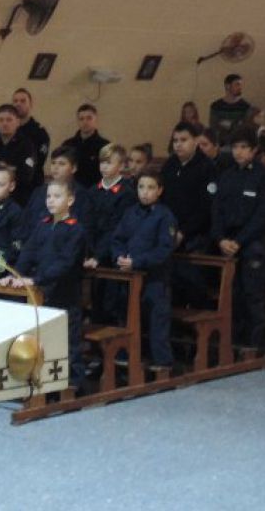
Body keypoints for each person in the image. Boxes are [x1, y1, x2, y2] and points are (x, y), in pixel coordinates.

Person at [1, 180, 87, 391]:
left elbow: (65, 264)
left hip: (65, 292)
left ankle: (73, 381)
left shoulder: (75, 230)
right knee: (43, 335)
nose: (51, 200)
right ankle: (42, 377)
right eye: (48, 196)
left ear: (70, 200)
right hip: (42, 292)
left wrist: (37, 279)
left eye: (57, 196)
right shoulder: (43, 224)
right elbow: (28, 253)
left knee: (69, 338)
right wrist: (15, 275)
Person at [210, 127, 265, 348]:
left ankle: (255, 339)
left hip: (250, 241)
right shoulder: (227, 175)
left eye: (244, 147)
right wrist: (220, 238)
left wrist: (239, 241)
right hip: (227, 241)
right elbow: (217, 211)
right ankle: (232, 337)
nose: (238, 152)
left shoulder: (264, 177)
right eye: (235, 147)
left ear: (254, 150)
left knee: (251, 292)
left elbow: (263, 216)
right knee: (231, 293)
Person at [111, 170, 177, 368]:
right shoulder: (131, 212)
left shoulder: (165, 216)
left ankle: (162, 361)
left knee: (157, 319)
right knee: (128, 316)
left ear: (160, 191)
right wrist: (119, 257)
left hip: (155, 277)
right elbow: (117, 238)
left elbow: (164, 250)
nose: (145, 192)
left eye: (150, 188)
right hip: (130, 276)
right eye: (141, 187)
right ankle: (127, 356)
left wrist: (138, 261)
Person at [161, 121, 217, 308]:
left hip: (196, 235)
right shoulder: (170, 165)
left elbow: (206, 208)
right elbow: (162, 201)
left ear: (195, 141)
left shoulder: (206, 167)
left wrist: (184, 232)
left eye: (183, 140)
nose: (178, 144)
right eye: (175, 140)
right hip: (170, 232)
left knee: (191, 279)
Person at [84, 144, 137, 324]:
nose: (104, 167)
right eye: (102, 162)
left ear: (121, 166)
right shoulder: (93, 191)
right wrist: (91, 252)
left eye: (109, 162)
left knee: (113, 303)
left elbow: (116, 229)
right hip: (95, 255)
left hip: (114, 255)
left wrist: (99, 255)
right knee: (96, 301)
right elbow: (88, 224)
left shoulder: (127, 192)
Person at [21, 145, 95, 247]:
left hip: (63, 249)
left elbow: (84, 230)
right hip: (33, 247)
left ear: (73, 168)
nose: (56, 167)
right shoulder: (39, 191)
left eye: (62, 164)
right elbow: (26, 221)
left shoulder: (81, 195)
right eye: (53, 163)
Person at [0, 103, 37, 206]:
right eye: (1, 120)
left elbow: (26, 176)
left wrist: (0, 169)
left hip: (17, 201)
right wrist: (10, 169)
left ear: (18, 122)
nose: (5, 123)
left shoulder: (26, 146)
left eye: (9, 120)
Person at [10, 87, 51, 190]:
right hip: (8, 186)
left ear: (31, 104)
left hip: (31, 187)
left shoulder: (39, 133)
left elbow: (37, 162)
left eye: (23, 101)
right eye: (15, 101)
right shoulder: (4, 130)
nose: (18, 104)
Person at [62, 103, 110, 188]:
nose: (85, 122)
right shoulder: (68, 145)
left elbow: (109, 173)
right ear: (77, 121)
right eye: (81, 119)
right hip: (72, 191)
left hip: (96, 191)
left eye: (89, 118)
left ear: (96, 120)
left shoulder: (105, 146)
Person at [209, 73, 251, 149]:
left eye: (241, 85)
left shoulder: (245, 107)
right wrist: (236, 124)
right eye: (237, 84)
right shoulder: (216, 106)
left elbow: (245, 129)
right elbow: (213, 128)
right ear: (227, 86)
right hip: (220, 146)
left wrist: (229, 125)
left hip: (239, 146)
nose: (240, 87)